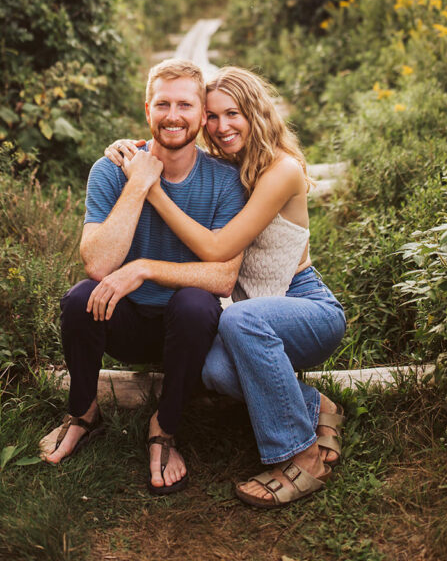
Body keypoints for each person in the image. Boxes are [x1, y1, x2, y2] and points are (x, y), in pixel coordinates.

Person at [105, 65, 346, 509]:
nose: (220, 127)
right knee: (212, 371)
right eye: (212, 117)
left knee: (237, 317)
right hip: (254, 313)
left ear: (256, 114)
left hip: (305, 304)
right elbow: (175, 147)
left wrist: (149, 188)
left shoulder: (282, 170)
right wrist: (131, 150)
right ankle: (312, 406)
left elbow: (217, 249)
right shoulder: (229, 167)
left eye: (232, 114)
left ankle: (302, 454)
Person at [43, 59, 247, 496]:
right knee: (80, 298)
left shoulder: (227, 181)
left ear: (201, 114)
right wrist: (138, 183)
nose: (173, 115)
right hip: (129, 323)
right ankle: (83, 413)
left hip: (189, 329)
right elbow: (97, 264)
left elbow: (224, 278)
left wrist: (143, 269)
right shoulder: (110, 170)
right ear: (147, 110)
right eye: (163, 104)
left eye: (186, 105)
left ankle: (164, 427)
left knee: (196, 303)